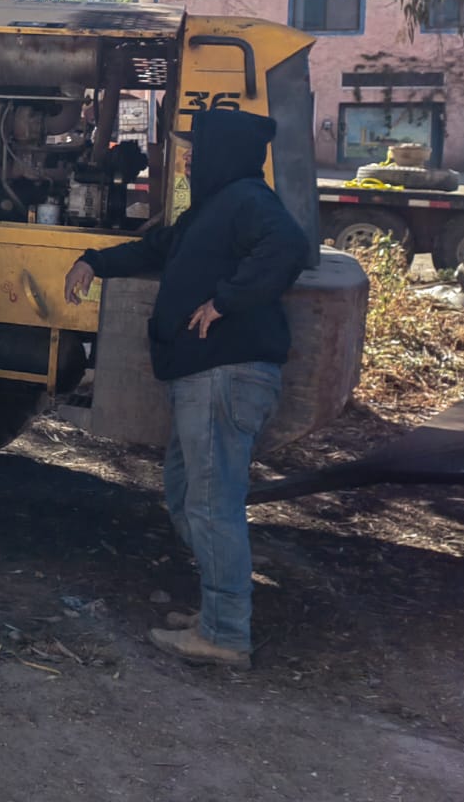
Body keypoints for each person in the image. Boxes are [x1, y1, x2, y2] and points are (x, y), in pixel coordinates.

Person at [63, 108, 309, 669]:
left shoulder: (248, 199)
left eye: (198, 148)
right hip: (201, 377)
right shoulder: (210, 211)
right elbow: (152, 250)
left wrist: (226, 300)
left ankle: (225, 633)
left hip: (224, 375)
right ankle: (219, 611)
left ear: (225, 152)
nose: (190, 157)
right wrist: (93, 261)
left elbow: (287, 247)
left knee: (211, 505)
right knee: (185, 497)